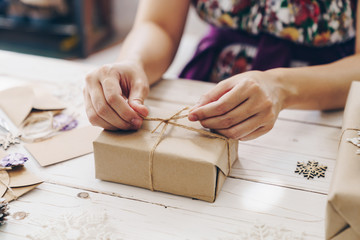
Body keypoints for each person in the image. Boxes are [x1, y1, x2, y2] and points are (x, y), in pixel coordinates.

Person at [83, 0, 360, 141]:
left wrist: (281, 87)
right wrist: (134, 62)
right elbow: (159, 24)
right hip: (208, 88)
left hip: (322, 99)